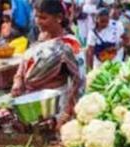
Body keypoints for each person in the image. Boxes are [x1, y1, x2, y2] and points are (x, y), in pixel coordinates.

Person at [11, 0, 82, 128]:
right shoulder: (39, 38)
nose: (38, 21)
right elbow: (25, 61)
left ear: (59, 18)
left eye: (43, 17)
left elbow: (79, 80)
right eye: (36, 16)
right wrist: (18, 81)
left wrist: (67, 112)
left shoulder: (69, 44)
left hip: (55, 105)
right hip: (30, 103)